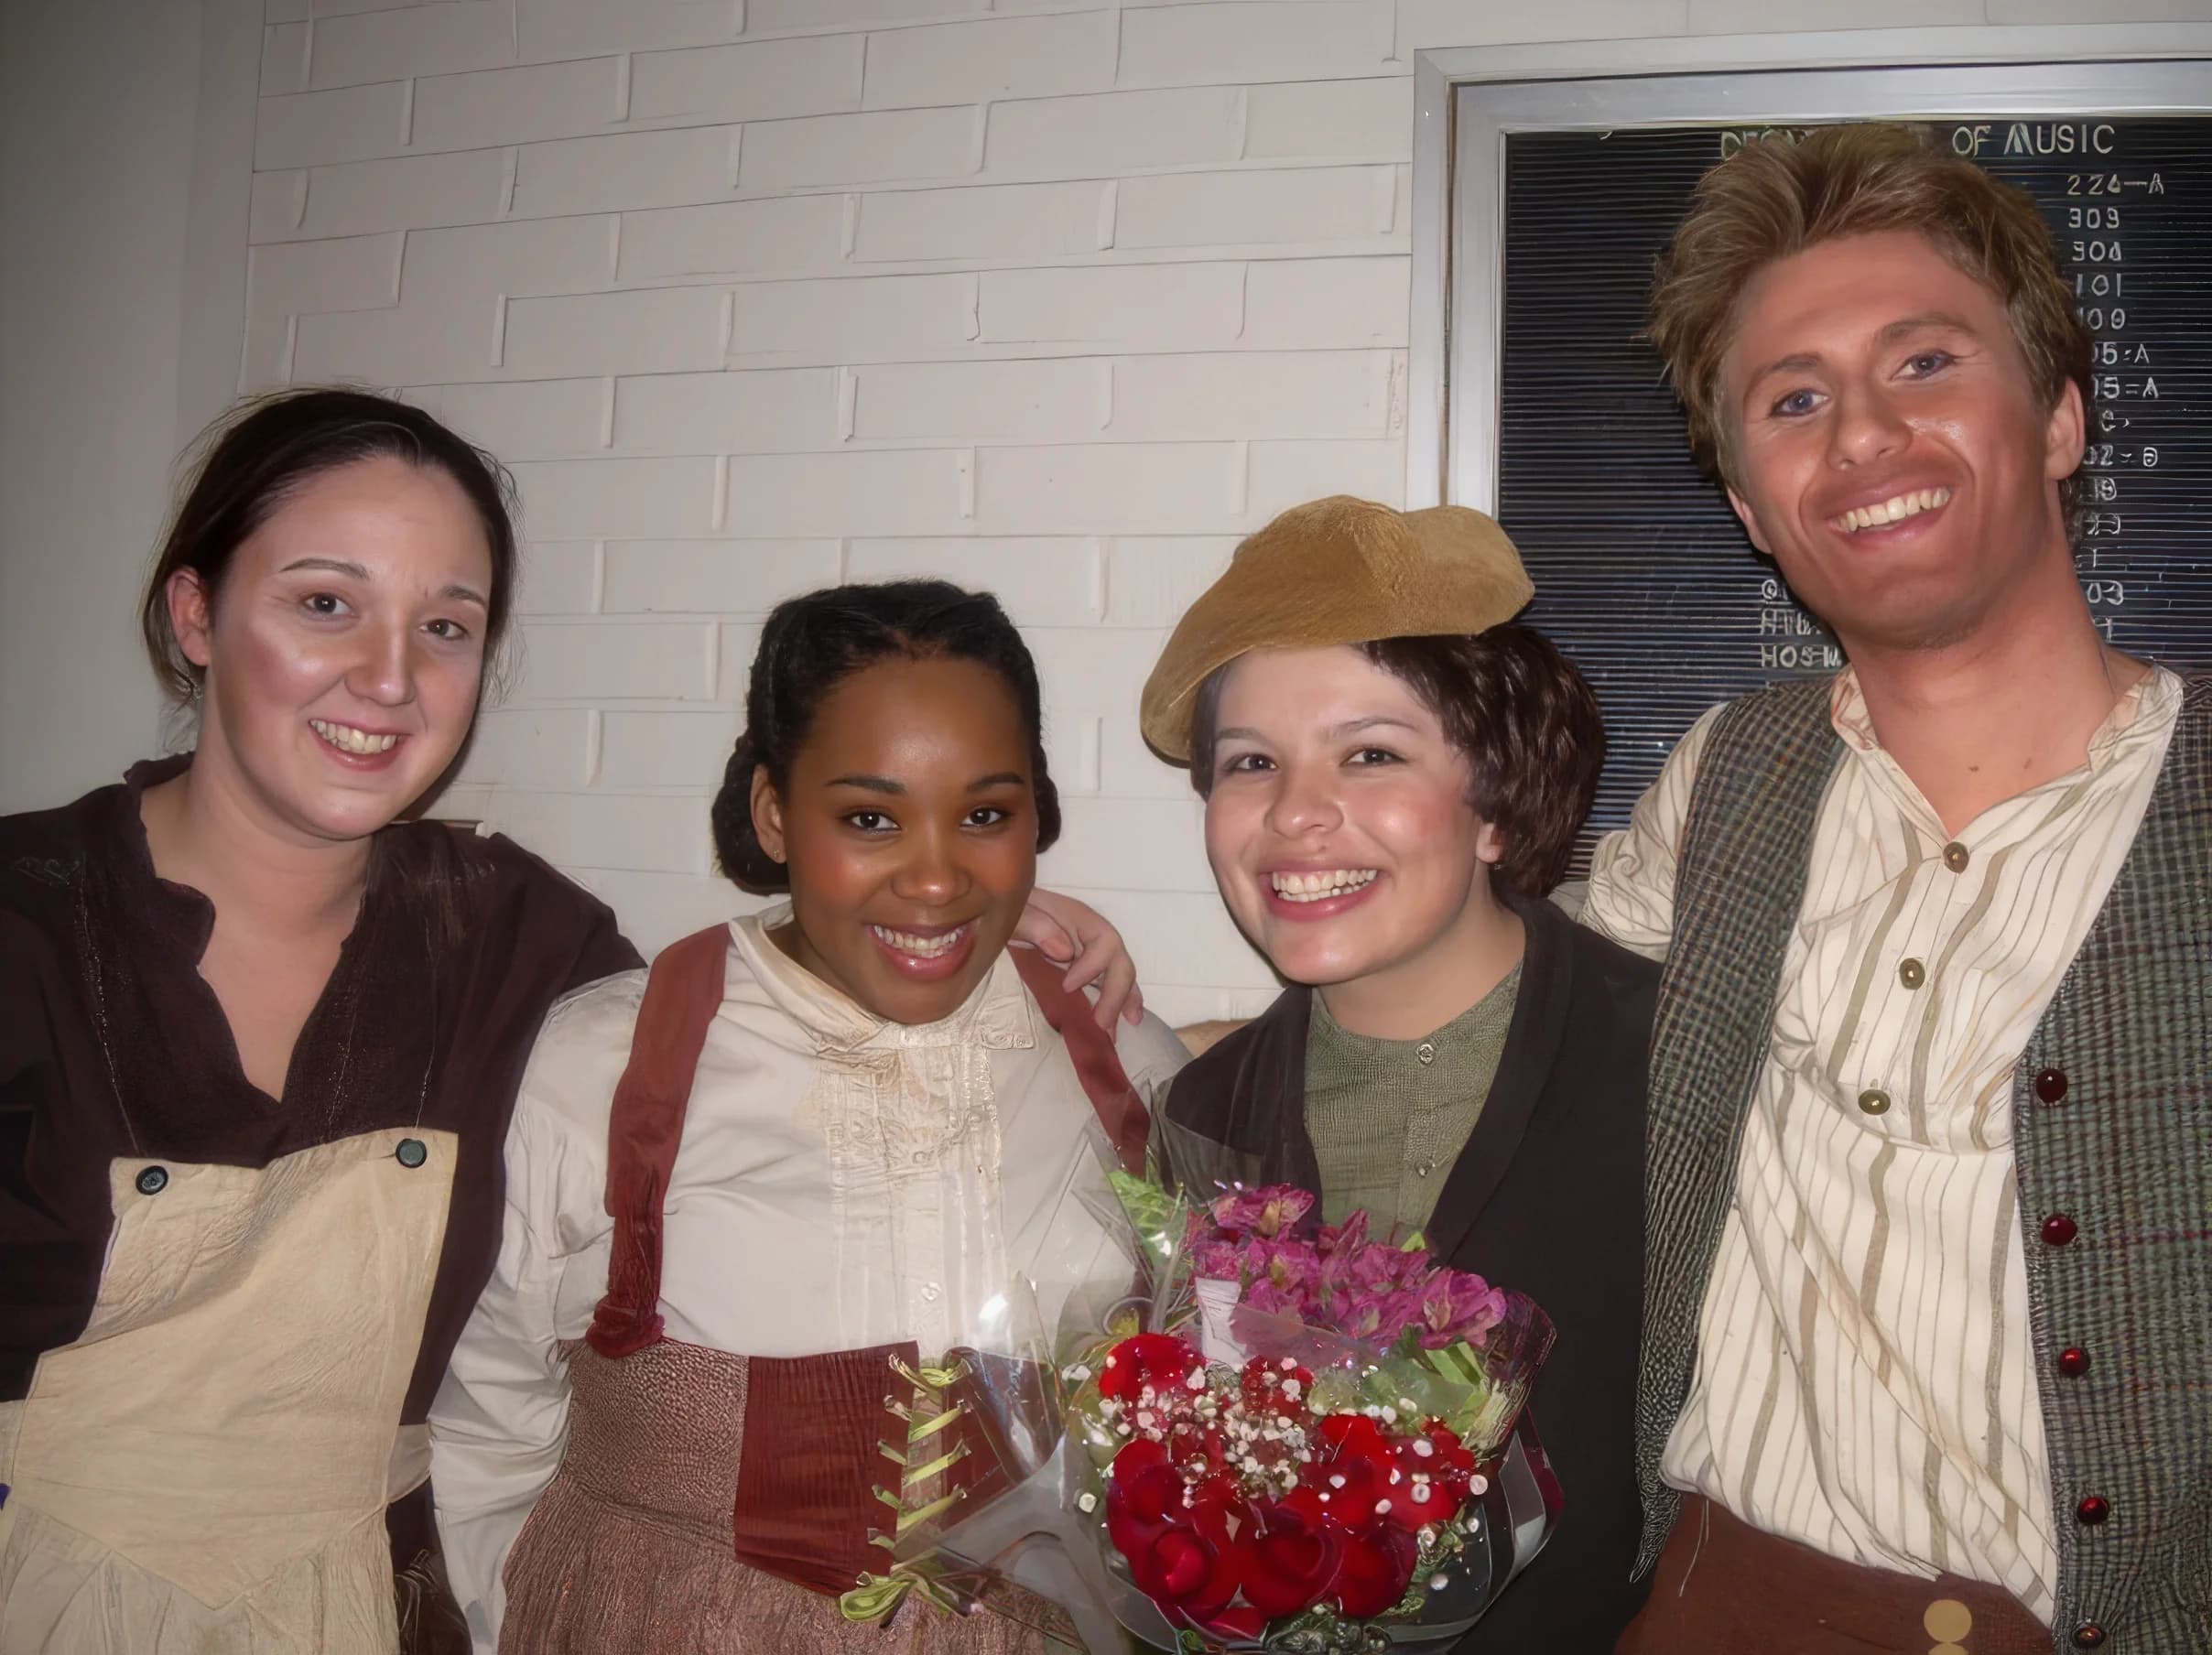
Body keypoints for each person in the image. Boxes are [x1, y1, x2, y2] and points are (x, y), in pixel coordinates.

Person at [0, 394, 1138, 1655]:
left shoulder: (515, 941)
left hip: (377, 1607)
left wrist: (977, 902)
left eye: (444, 625)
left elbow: (753, 1041)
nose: (388, 675)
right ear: (197, 612)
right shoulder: (27, 928)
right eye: (326, 603)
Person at [1589, 125, 2209, 1654]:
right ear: (1753, 509)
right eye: (1792, 401)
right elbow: (1505, 1036)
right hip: (1707, 1605)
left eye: (1923, 363)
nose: (1859, 433)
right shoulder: (1720, 780)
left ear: (2059, 419)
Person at [428, 580, 1190, 1654]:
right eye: (869, 817)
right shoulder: (601, 1064)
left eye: (984, 813)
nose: (935, 877)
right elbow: (488, 1422)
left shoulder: (1126, 1063)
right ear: (775, 810)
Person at [1137, 495, 1659, 1650]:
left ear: (1493, 796)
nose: (1295, 814)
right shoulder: (1202, 1116)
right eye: (1250, 762)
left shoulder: (1668, 1062)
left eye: (1370, 753)